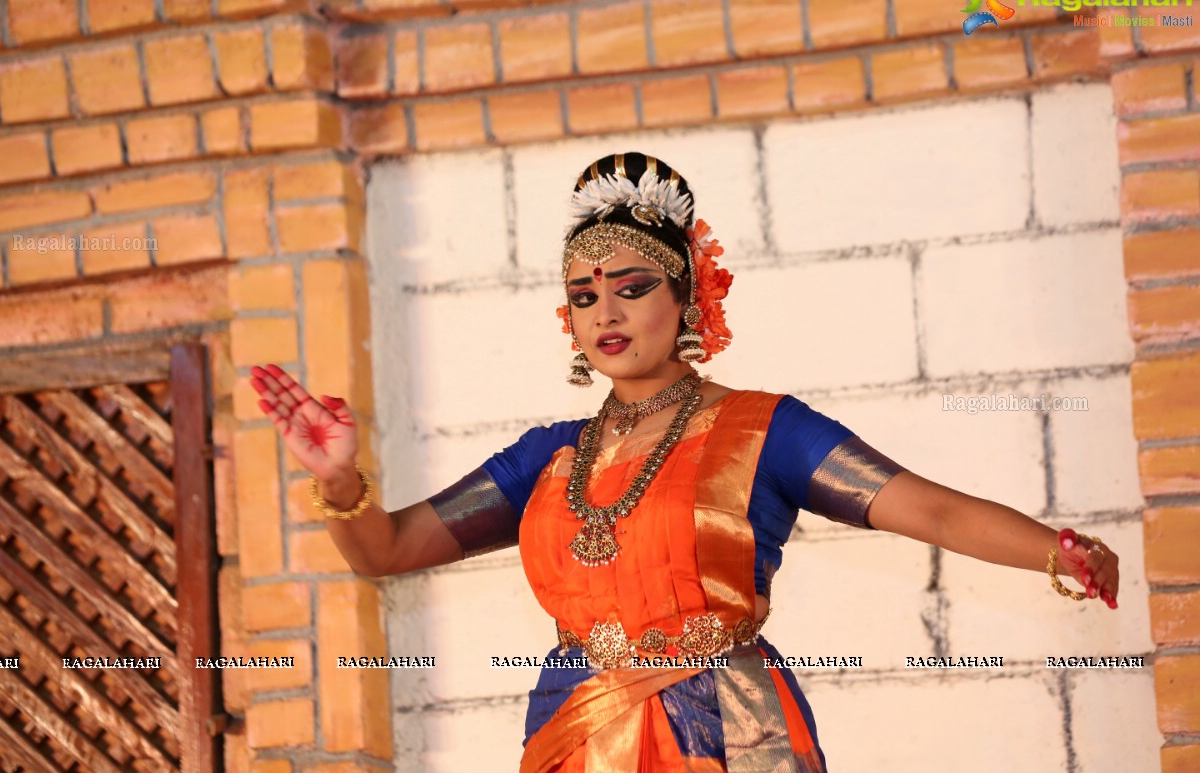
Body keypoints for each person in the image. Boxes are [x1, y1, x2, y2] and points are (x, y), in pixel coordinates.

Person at [248, 152, 1121, 772]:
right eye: (584, 296)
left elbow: (925, 510)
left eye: (632, 287)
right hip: (576, 726)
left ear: (688, 297)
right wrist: (337, 481)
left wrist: (1055, 550)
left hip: (726, 726)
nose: (606, 312)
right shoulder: (544, 458)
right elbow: (387, 551)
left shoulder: (761, 430)